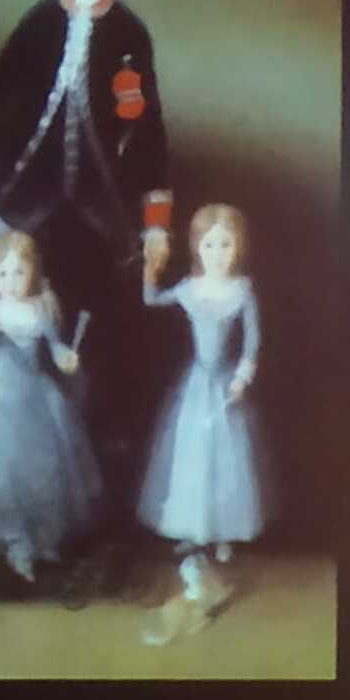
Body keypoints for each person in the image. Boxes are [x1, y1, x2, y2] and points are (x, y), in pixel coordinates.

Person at [0, 0, 173, 491]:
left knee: (92, 332)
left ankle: (82, 471)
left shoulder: (129, 33)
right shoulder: (40, 20)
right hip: (28, 200)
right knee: (16, 317)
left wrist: (156, 223)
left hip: (96, 209)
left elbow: (149, 129)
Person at [137, 203, 273, 620]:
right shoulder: (190, 288)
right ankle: (194, 527)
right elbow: (152, 300)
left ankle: (223, 529)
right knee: (193, 456)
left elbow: (253, 343)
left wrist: (242, 378)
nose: (217, 253)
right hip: (196, 384)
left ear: (239, 247)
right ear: (197, 247)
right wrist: (151, 269)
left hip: (225, 384)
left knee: (228, 461)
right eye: (209, 245)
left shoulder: (242, 290)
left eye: (226, 245)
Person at [0, 231, 103, 579]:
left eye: (19, 272)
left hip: (36, 395)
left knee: (45, 469)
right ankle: (14, 541)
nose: (10, 281)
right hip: (0, 396)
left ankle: (46, 539)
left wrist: (65, 357)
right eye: (3, 273)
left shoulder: (40, 308)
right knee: (6, 468)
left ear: (33, 273)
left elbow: (54, 345)